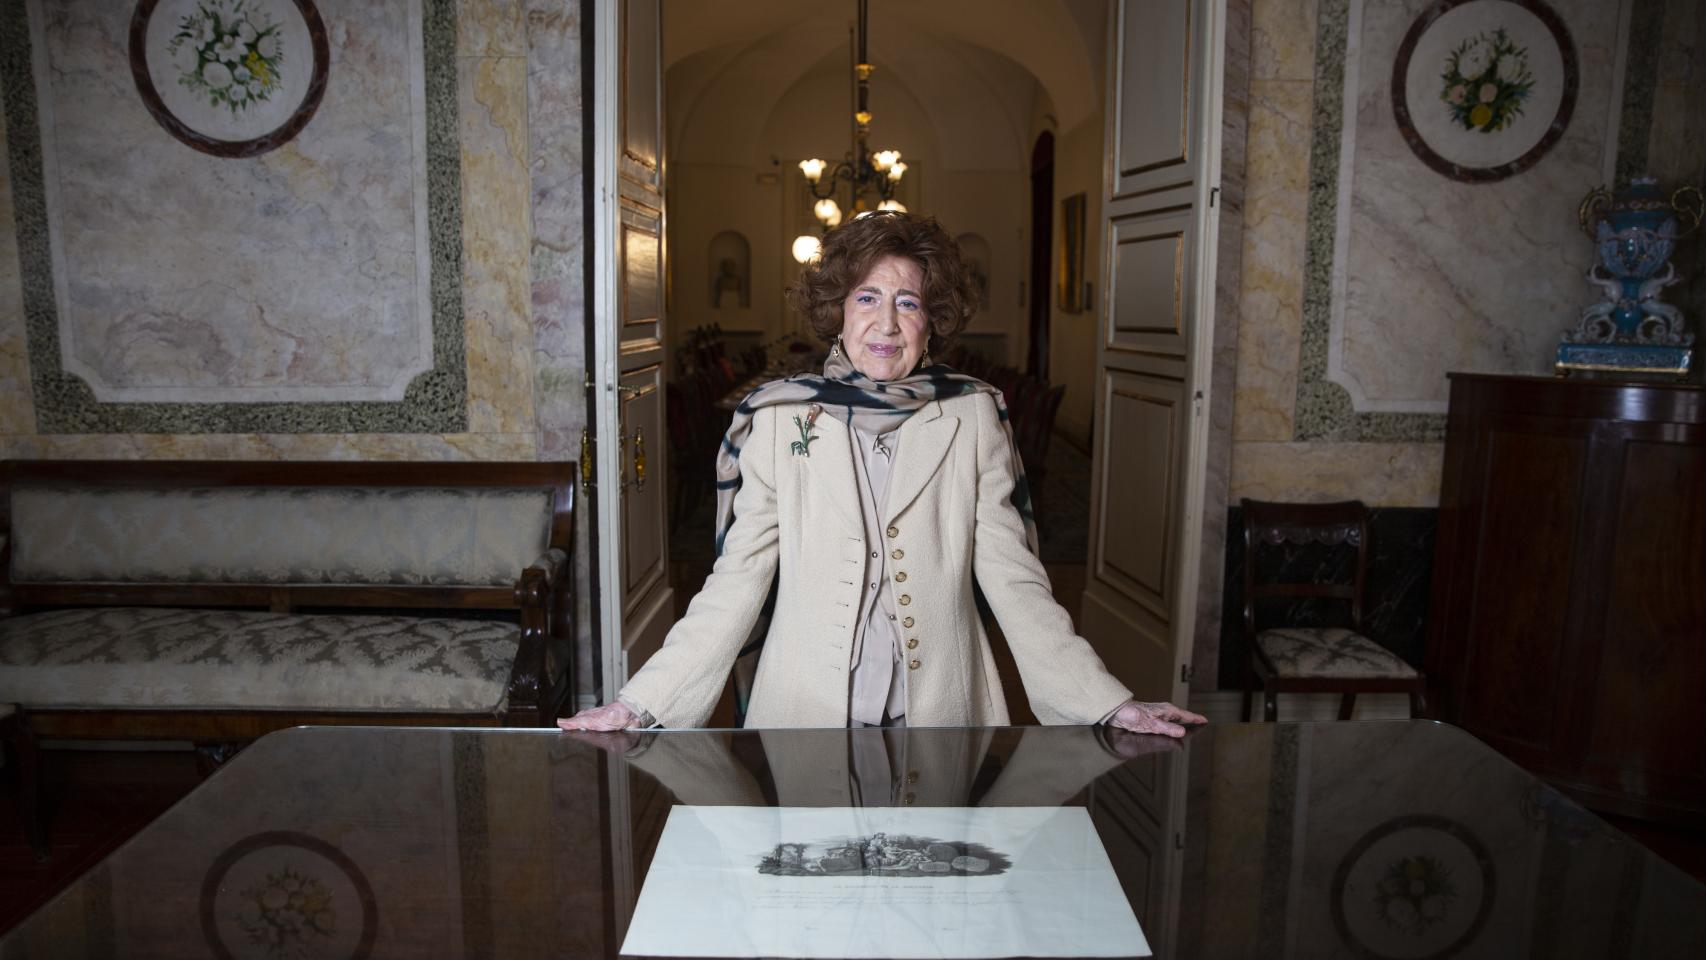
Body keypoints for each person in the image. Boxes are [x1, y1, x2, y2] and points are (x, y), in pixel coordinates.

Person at [560, 211, 1205, 737]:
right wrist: (642, 703)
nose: (886, 324)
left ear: (934, 321)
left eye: (909, 302)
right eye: (867, 297)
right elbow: (737, 580)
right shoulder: (782, 417)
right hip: (802, 717)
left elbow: (1016, 581)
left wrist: (1107, 702)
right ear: (838, 308)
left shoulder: (973, 416)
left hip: (943, 715)